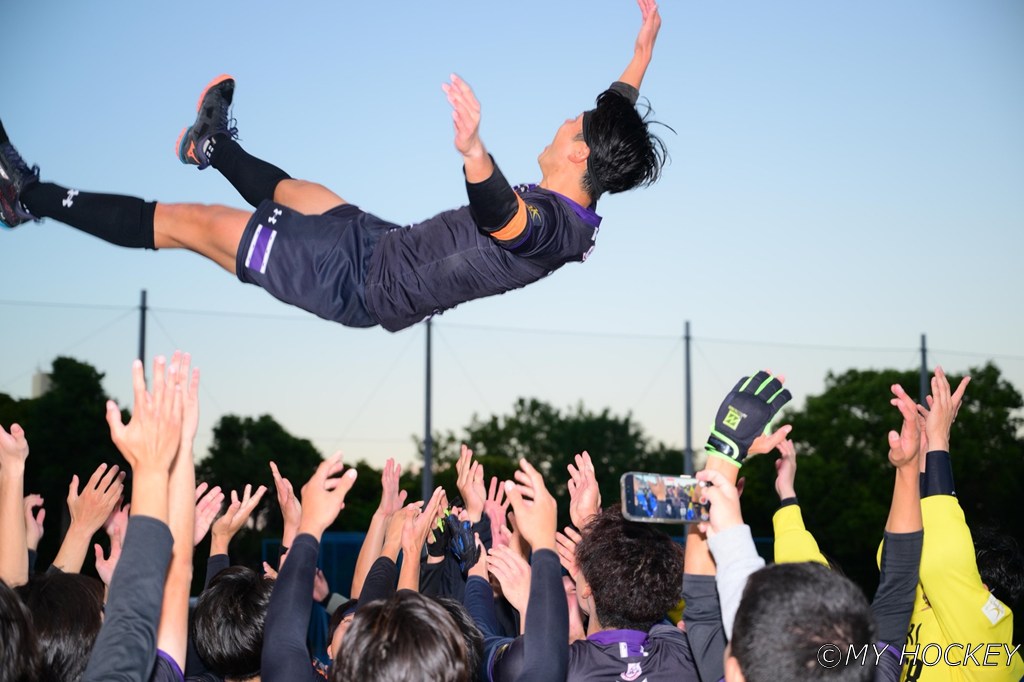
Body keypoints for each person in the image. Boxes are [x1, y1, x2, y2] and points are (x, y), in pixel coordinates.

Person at [0, 0, 666, 333]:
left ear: (578, 153)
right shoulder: (583, 189)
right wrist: (642, 50)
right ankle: (213, 147)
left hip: (354, 282)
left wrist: (474, 154)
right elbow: (612, 113)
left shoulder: (551, 226)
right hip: (382, 244)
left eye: (573, 124)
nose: (563, 122)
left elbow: (505, 218)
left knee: (189, 222)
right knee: (298, 191)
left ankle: (26, 197)